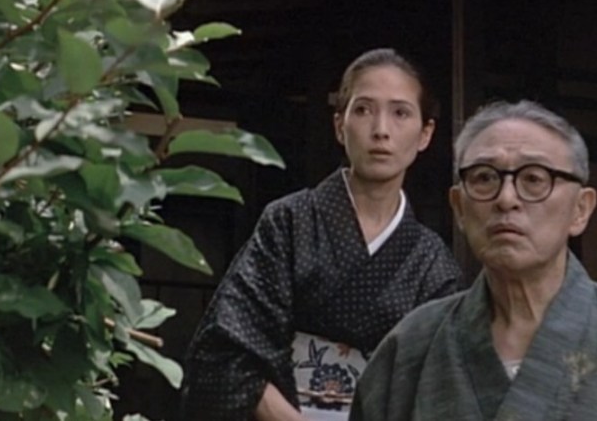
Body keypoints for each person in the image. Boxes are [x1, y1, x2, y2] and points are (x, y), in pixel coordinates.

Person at [350, 100, 597, 421]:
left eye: (534, 179)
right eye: (485, 178)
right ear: (459, 207)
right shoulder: (410, 347)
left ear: (581, 209)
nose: (506, 199)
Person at [179, 48, 462, 421]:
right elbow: (225, 351)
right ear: (339, 125)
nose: (381, 129)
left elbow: (440, 387)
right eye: (363, 110)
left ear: (425, 134)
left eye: (400, 113)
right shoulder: (289, 222)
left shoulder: (432, 261)